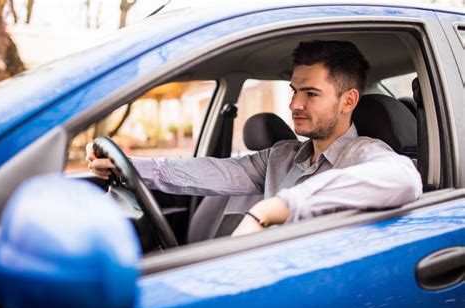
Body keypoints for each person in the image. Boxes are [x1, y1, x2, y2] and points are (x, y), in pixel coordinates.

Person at [86, 40, 422, 238]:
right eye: (293, 91)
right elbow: (211, 172)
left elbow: (405, 178)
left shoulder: (365, 153)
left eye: (311, 93)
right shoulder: (281, 156)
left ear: (348, 101)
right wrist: (131, 166)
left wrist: (275, 207)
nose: (294, 104)